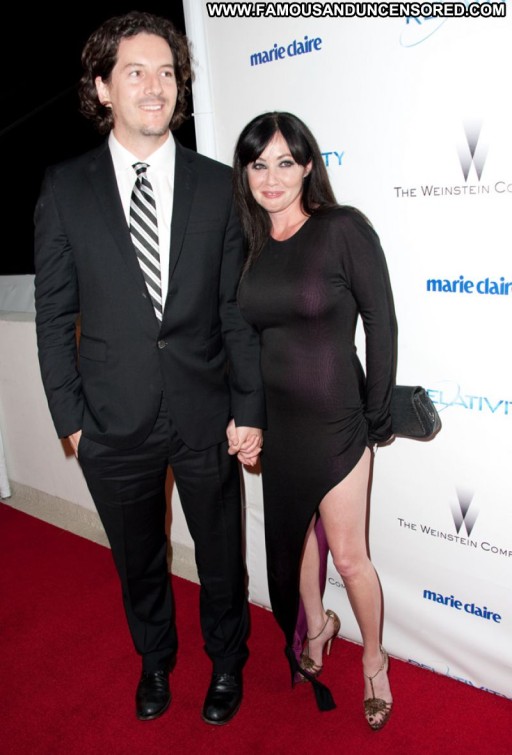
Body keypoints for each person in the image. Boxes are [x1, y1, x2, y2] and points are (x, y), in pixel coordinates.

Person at [34, 11, 265, 726]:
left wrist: (249, 407)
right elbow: (53, 315)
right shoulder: (65, 188)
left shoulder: (218, 185)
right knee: (139, 560)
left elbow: (234, 309)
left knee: (221, 554)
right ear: (103, 87)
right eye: (135, 72)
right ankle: (155, 659)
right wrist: (72, 423)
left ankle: (226, 661)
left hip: (206, 411)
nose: (155, 86)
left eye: (166, 72)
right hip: (111, 421)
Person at [234, 112, 397, 729]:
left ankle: (374, 660)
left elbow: (381, 321)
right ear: (245, 173)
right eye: (258, 164)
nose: (271, 177)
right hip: (280, 426)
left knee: (349, 558)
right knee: (297, 544)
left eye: (284, 162)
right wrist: (248, 419)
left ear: (307, 166)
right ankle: (318, 626)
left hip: (337, 421)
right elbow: (244, 341)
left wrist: (374, 415)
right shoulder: (249, 246)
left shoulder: (341, 229)